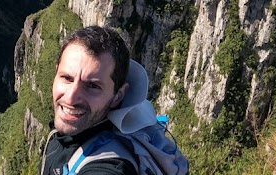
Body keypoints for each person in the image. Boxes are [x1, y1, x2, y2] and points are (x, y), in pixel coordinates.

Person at [40, 26, 188, 175]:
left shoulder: (111, 165)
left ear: (118, 95)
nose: (71, 97)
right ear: (56, 72)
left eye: (92, 86)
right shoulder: (71, 133)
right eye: (67, 78)